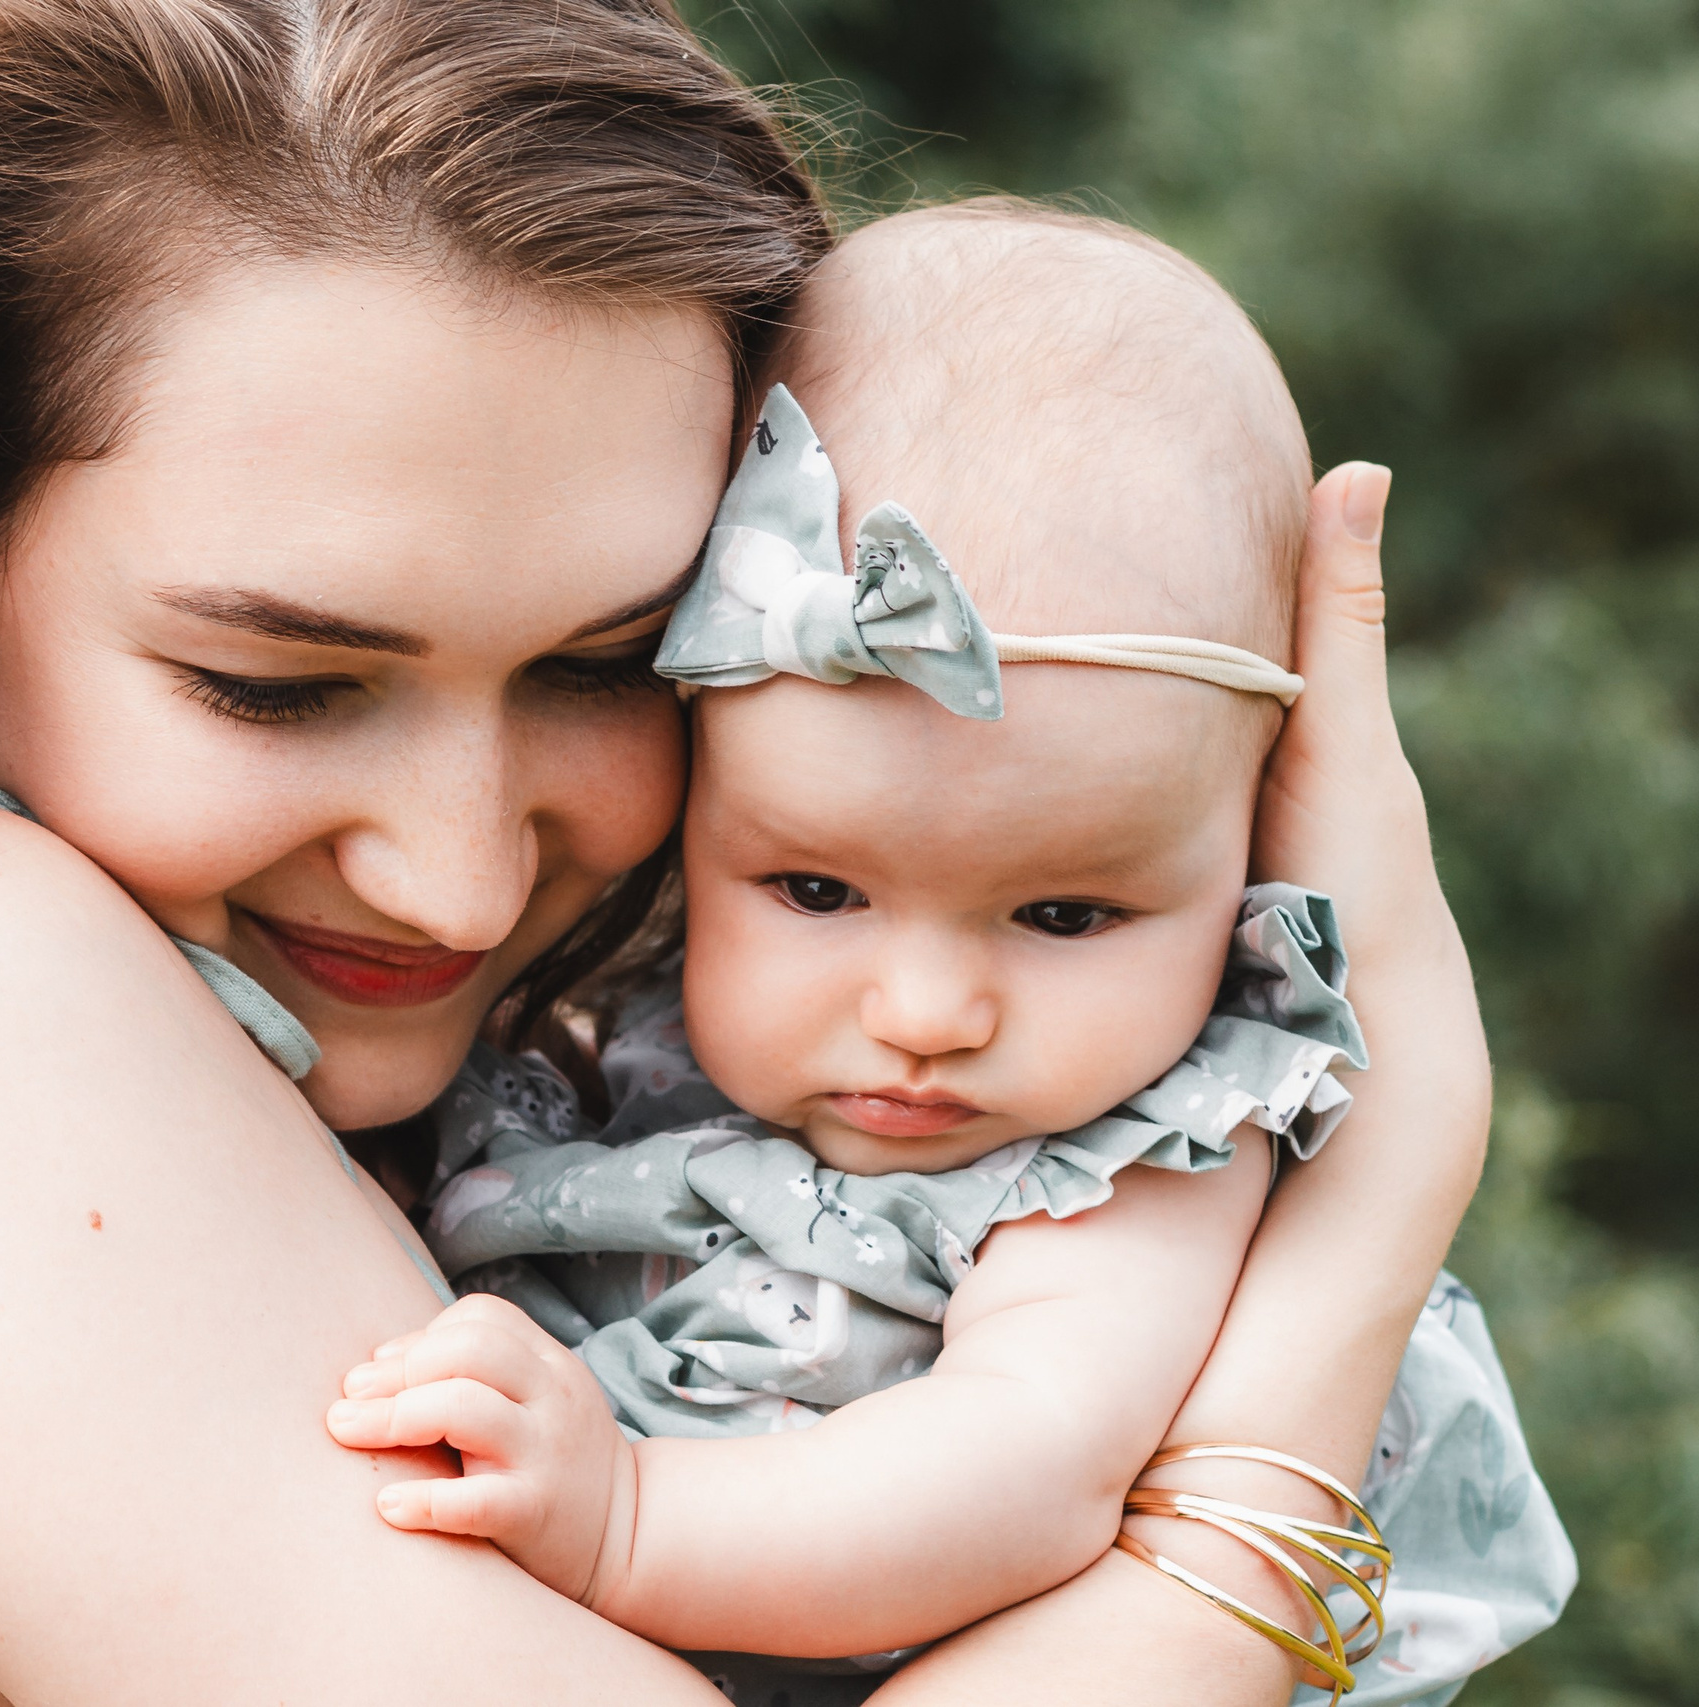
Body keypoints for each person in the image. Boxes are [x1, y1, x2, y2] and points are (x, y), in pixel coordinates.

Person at [0, 4, 1532, 1706]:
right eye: (276, 686)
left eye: (603, 666)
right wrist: (1359, 1208)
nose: (460, 881)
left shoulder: (482, 1105)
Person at [329, 207, 1573, 1702]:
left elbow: (1018, 1463)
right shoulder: (619, 1036)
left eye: (1063, 916)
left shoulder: (1137, 1163)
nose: (924, 1016)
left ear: (1247, 863)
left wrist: (628, 1519)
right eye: (813, 887)